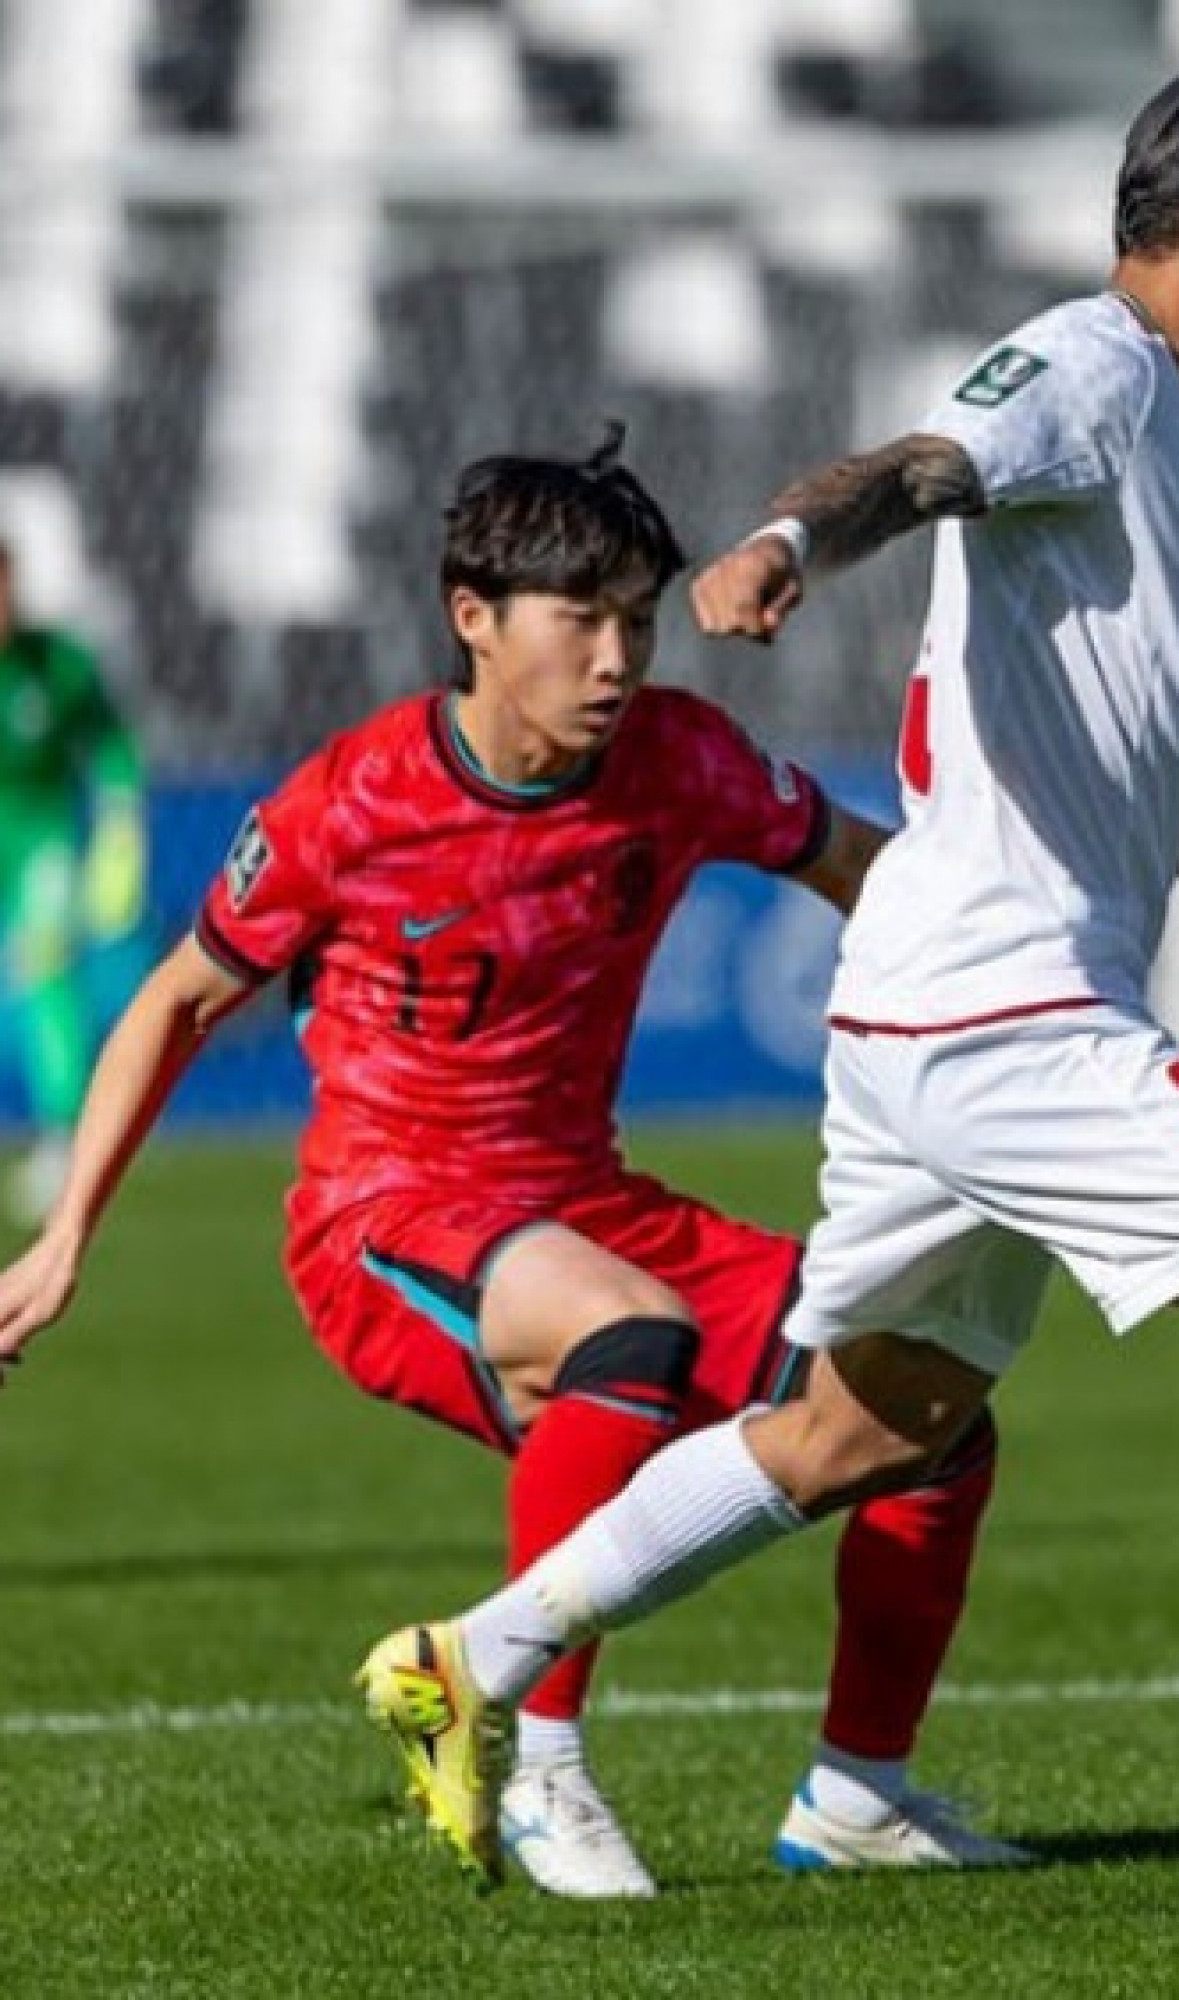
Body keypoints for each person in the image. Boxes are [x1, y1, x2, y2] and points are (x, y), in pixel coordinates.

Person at [352, 59, 1179, 1917]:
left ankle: (478, 1656)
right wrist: (780, 544)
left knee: (857, 1431)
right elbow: (915, 468)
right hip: (999, 1015)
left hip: (961, 1017)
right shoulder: (1086, 370)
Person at [0, 430, 1026, 1897]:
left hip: (586, 1202)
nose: (616, 658)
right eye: (581, 619)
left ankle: (859, 1795)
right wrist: (63, 1240)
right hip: (385, 1215)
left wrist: (1017, 959)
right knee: (632, 1338)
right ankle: (541, 1768)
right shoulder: (350, 803)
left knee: (929, 1411)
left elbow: (870, 873)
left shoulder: (679, 760)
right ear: (472, 618)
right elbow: (173, 1000)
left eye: (639, 618)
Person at [0, 536, 148, 1229]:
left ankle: (64, 1135)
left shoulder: (57, 666)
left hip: (42, 843)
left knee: (45, 970)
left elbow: (111, 746)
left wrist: (119, 826)